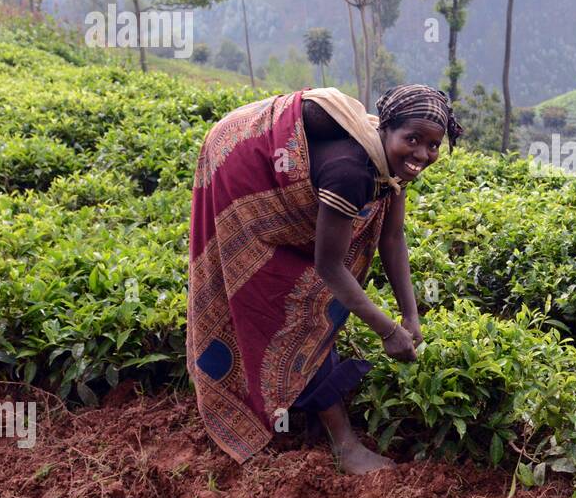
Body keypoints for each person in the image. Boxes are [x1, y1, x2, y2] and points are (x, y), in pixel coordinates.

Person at [185, 83, 462, 473]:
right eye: (412, 139)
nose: (422, 155)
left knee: (315, 295)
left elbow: (392, 236)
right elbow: (329, 267)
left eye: (433, 146)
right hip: (239, 161)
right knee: (297, 304)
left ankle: (309, 400)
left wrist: (410, 315)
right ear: (385, 128)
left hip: (280, 160)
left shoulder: (390, 165)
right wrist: (386, 330)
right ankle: (344, 445)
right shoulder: (352, 172)